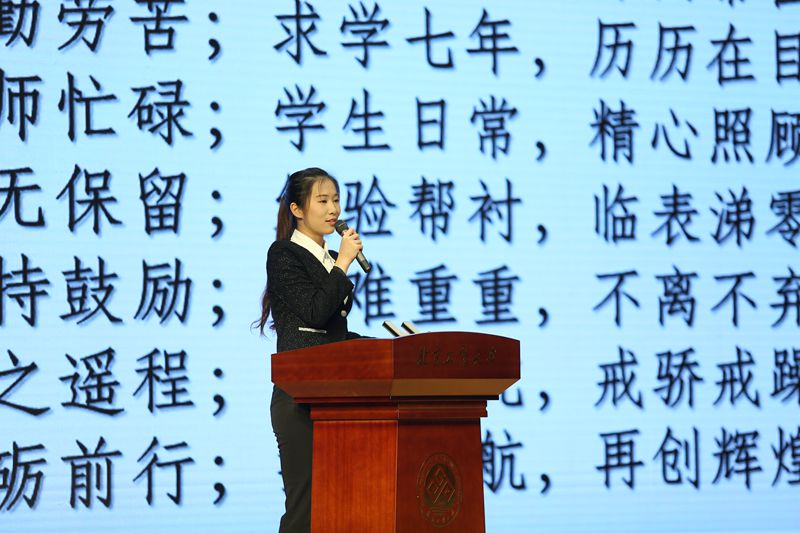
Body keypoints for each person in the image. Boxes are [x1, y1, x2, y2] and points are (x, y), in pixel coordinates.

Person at [256, 167, 364, 533]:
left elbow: (333, 332)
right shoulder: (283, 254)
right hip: (299, 399)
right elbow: (315, 313)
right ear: (297, 209)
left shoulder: (330, 257)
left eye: (336, 200)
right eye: (323, 201)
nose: (333, 209)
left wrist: (385, 346)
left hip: (337, 396)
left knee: (341, 509)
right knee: (306, 511)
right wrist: (343, 263)